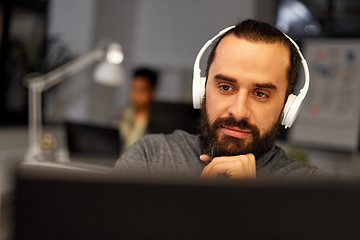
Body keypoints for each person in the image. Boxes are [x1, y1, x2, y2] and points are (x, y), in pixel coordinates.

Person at [114, 19, 327, 179]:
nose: (239, 111)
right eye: (226, 87)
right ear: (202, 90)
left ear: (287, 107)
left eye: (260, 94)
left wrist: (248, 201)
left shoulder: (313, 188)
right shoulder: (151, 157)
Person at [117, 67, 158, 150]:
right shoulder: (124, 114)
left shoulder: (157, 120)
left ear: (152, 91)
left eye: (141, 91)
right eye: (133, 89)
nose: (136, 95)